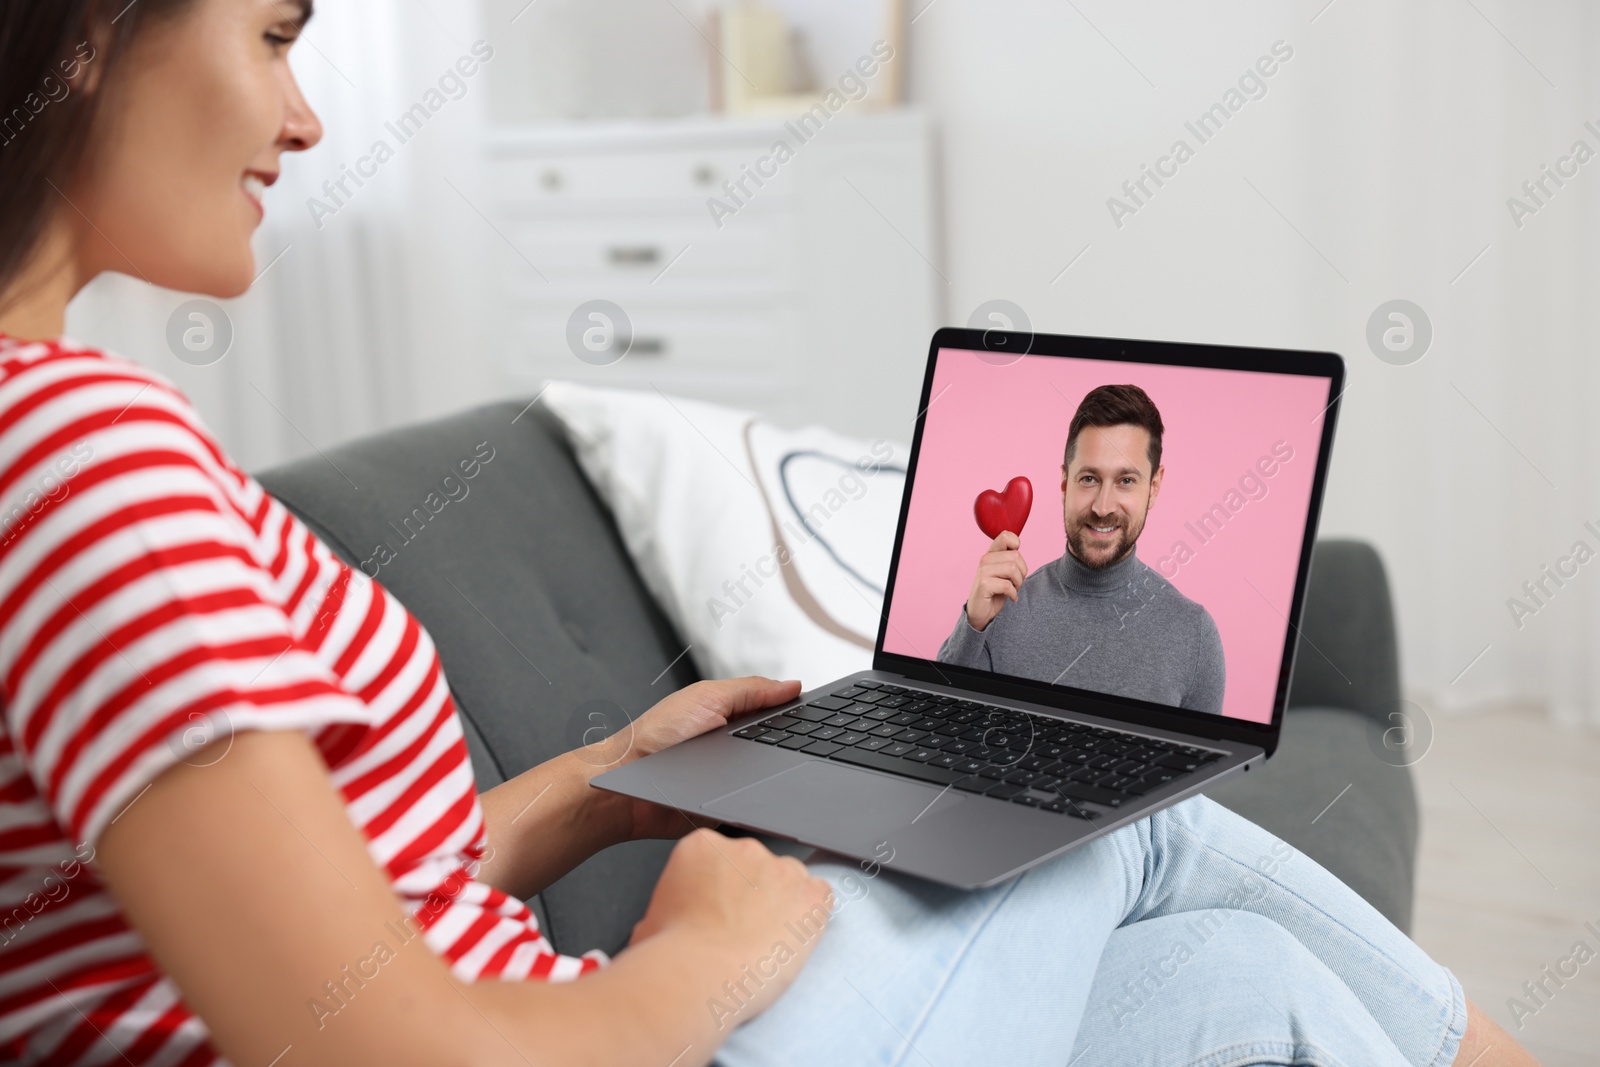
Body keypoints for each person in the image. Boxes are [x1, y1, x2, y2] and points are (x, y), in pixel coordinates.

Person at [0, 2, 1539, 1065]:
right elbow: (377, 1039)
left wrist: (615, 789)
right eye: (273, 34)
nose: (304, 108)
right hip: (630, 1031)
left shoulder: (60, 434)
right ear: (82, 34)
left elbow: (334, 904)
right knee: (1112, 801)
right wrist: (701, 953)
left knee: (1249, 984)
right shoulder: (78, 448)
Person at [939, 385, 1227, 713]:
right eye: (1089, 479)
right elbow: (938, 727)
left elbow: (1202, 763)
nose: (1103, 507)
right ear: (1065, 484)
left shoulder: (1195, 633)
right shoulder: (1000, 612)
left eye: (1126, 481)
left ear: (1154, 487)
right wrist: (973, 625)